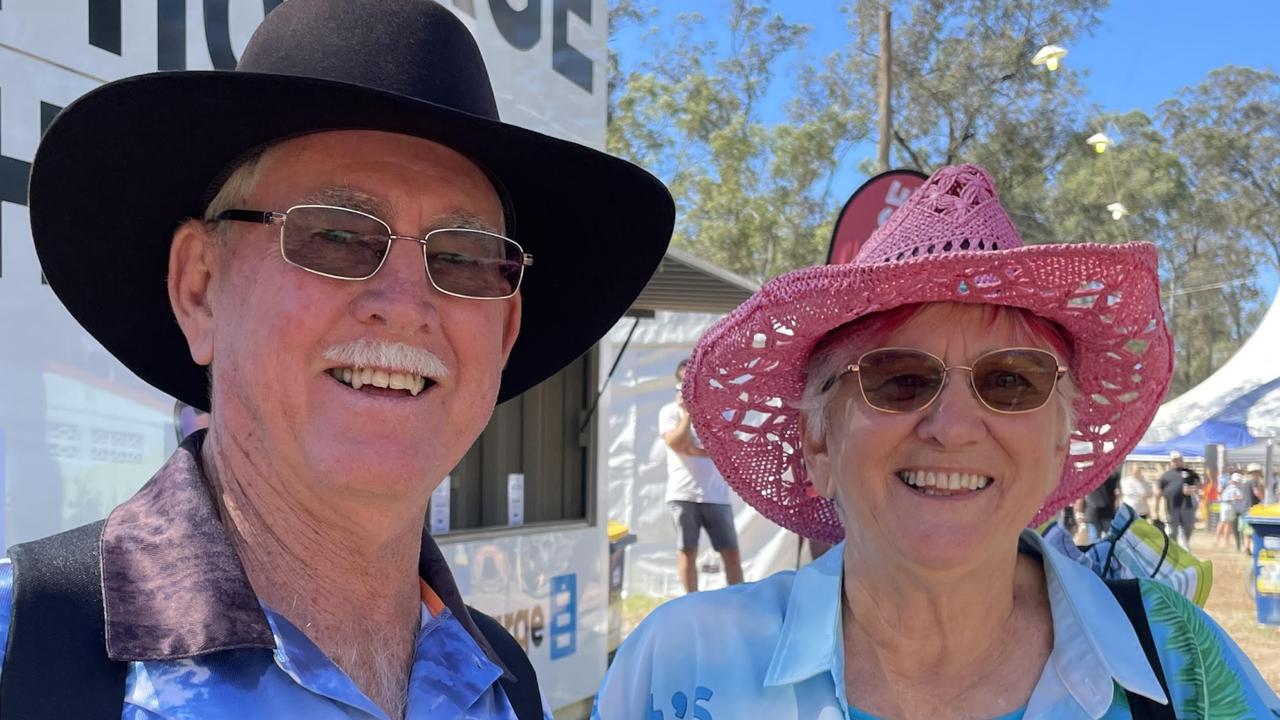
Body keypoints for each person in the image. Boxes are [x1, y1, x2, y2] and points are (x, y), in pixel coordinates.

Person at [0, 2, 674, 718]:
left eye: (463, 257)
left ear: (504, 332)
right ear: (200, 289)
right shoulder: (24, 646)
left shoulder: (506, 683)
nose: (408, 303)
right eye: (336, 236)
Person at [595, 165, 1280, 718]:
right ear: (818, 443)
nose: (952, 427)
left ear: (1058, 443)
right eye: (898, 379)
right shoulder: (677, 669)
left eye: (1012, 381)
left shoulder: (1177, 662)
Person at [659, 358, 744, 592]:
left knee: (731, 552)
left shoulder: (720, 411)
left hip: (716, 495)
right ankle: (690, 601)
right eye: (686, 380)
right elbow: (676, 444)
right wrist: (687, 414)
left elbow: (726, 448)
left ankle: (738, 598)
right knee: (687, 551)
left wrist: (692, 450)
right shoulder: (670, 411)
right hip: (683, 494)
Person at [1158, 451, 1202, 548]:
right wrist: (1156, 509)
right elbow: (1159, 491)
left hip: (1187, 507)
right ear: (1171, 462)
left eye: (1178, 460)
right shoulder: (1166, 475)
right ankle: (1174, 549)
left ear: (1182, 461)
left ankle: (1183, 545)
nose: (1176, 462)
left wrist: (1191, 490)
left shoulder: (1190, 473)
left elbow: (1198, 487)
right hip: (1172, 508)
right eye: (1174, 461)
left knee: (1188, 528)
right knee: (1173, 531)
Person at [1082, 469, 1121, 541]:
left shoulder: (1088, 474)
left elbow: (1083, 495)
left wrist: (1080, 511)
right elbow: (1118, 494)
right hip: (1105, 512)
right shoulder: (1114, 474)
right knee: (1111, 539)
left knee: (1094, 539)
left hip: (1093, 512)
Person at [1217, 473, 1248, 551]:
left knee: (1223, 522)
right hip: (1228, 505)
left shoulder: (1229, 487)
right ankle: (1225, 541)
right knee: (1227, 523)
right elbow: (1239, 497)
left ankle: (1219, 539)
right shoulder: (1235, 488)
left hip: (1225, 505)